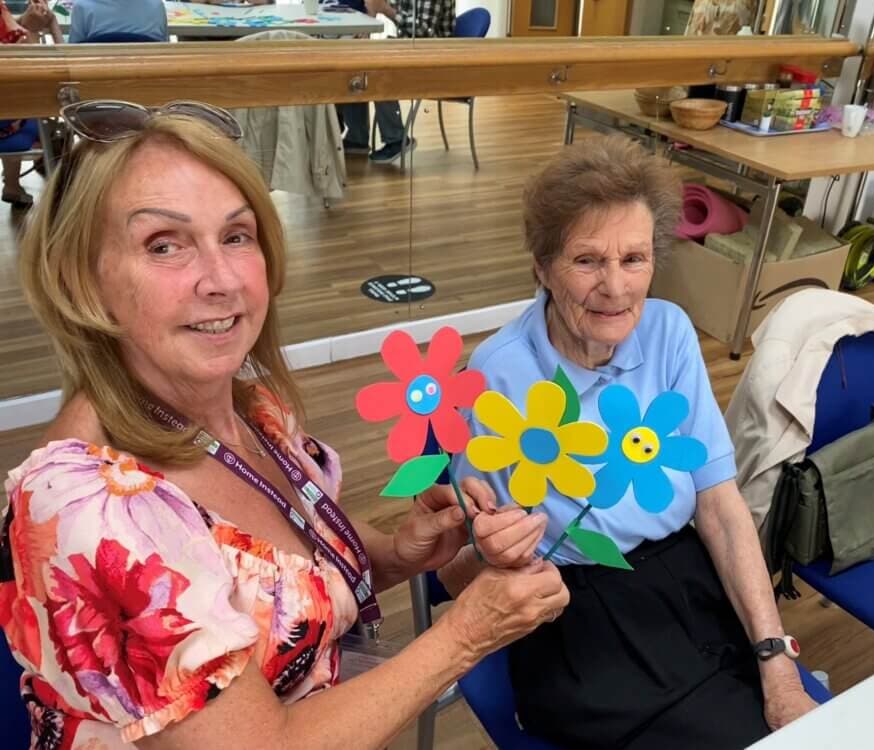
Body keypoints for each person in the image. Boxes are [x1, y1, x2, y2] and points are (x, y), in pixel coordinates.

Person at [0, 100, 564, 749]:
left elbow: (285, 583)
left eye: (236, 235)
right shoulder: (90, 509)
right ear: (80, 279)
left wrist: (399, 553)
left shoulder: (248, 407)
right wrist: (465, 636)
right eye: (164, 245)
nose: (221, 280)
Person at [452, 135, 816, 749]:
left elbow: (720, 507)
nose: (617, 288)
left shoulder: (670, 332)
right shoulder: (498, 373)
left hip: (688, 576)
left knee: (792, 720)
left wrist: (775, 658)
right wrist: (491, 547)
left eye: (634, 259)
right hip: (580, 615)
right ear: (542, 267)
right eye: (587, 260)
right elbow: (466, 567)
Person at [338, 0, 455, 163]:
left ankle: (397, 139)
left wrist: (385, 9)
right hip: (412, 51)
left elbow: (424, 31)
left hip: (433, 60)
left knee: (379, 71)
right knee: (357, 61)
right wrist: (371, 15)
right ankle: (357, 137)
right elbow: (390, 5)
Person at [0, 0, 61, 210]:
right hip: (14, 126)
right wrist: (38, 30)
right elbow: (45, 72)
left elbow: (6, 31)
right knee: (25, 104)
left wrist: (23, 21)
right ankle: (13, 184)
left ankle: (12, 185)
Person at [68, 0, 168, 43]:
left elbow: (71, 56)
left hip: (95, 79)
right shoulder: (156, 6)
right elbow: (166, 53)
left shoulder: (82, 7)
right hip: (148, 79)